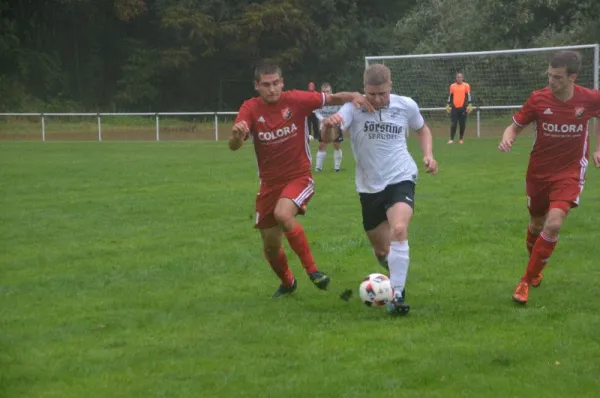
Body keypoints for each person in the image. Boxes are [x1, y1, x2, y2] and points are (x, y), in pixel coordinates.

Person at [229, 62, 374, 298]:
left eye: (276, 83)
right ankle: (288, 283)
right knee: (271, 246)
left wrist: (355, 95)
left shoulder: (296, 100)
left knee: (283, 214)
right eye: (266, 85)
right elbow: (234, 145)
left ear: (282, 82)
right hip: (268, 185)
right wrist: (236, 136)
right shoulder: (250, 109)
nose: (272, 89)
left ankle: (313, 271)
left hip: (299, 177)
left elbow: (331, 98)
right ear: (257, 86)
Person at [320, 64, 438, 315]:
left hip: (401, 177)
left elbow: (422, 129)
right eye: (371, 94)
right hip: (369, 186)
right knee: (383, 250)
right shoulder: (354, 108)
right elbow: (329, 138)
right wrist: (330, 125)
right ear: (364, 90)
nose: (376, 99)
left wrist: (428, 155)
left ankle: (398, 296)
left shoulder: (405, 105)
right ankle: (394, 271)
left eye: (382, 94)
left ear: (390, 87)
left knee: (399, 229)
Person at [498, 50, 600, 304]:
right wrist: (508, 137)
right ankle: (536, 268)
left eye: (557, 77)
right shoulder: (538, 99)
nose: (551, 81)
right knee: (536, 224)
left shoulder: (589, 99)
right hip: (539, 172)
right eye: (549, 75)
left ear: (572, 77)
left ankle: (525, 281)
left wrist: (598, 147)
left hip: (570, 172)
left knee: (553, 223)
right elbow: (514, 126)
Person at [314, 83, 344, 172]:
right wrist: (323, 120)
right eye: (324, 91)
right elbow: (316, 112)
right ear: (321, 92)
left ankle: (337, 168)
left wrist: (336, 119)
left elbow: (342, 110)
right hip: (324, 124)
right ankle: (318, 167)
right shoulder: (318, 101)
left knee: (336, 145)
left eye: (328, 91)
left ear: (331, 91)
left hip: (336, 123)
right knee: (322, 144)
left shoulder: (336, 100)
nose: (326, 93)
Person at [445, 73, 473, 144]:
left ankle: (461, 139)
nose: (459, 78)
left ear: (462, 78)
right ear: (456, 78)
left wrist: (470, 104)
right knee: (453, 123)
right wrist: (448, 104)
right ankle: (451, 139)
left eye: (460, 77)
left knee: (462, 124)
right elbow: (450, 96)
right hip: (454, 108)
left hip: (463, 107)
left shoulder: (466, 85)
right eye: (458, 77)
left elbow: (469, 95)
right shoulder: (452, 86)